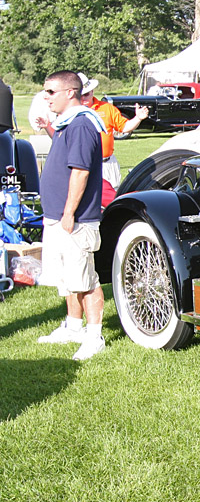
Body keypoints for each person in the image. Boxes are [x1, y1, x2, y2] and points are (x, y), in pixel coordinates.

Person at [35, 70, 107, 360]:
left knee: (85, 280)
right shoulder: (66, 124)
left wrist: (68, 213)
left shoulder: (80, 125)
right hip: (57, 217)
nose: (45, 97)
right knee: (67, 278)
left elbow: (80, 171)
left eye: (51, 91)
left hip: (74, 220)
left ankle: (94, 336)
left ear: (70, 93)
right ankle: (74, 326)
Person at [37, 73, 149, 207]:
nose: (84, 97)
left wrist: (138, 118)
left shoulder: (106, 108)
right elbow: (60, 139)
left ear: (92, 92)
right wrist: (47, 127)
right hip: (82, 164)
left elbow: (124, 127)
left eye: (87, 94)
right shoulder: (67, 113)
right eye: (81, 94)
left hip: (106, 163)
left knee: (113, 200)